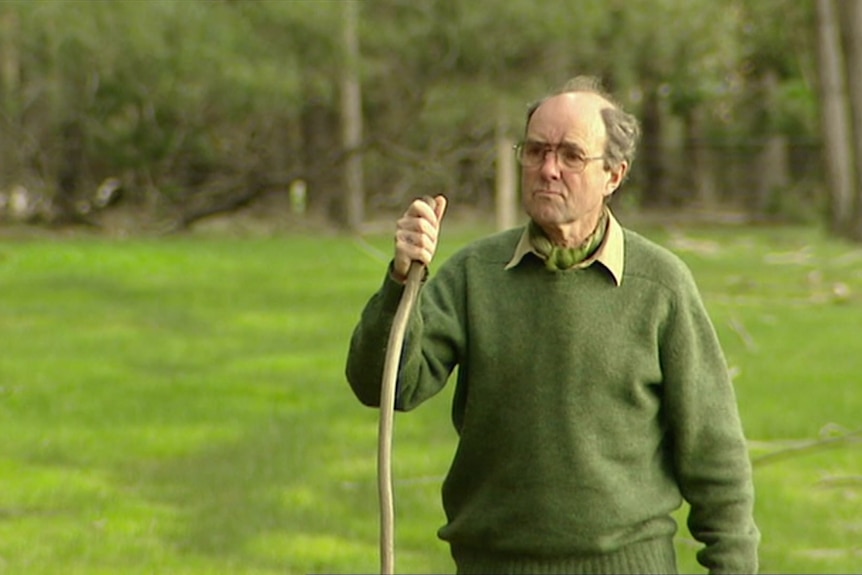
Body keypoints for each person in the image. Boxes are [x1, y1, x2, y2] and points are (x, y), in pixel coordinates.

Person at [345, 76, 760, 574]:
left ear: (614, 174)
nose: (548, 169)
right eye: (536, 150)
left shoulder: (660, 287)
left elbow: (716, 458)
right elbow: (385, 386)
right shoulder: (474, 275)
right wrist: (399, 279)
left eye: (570, 155)